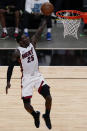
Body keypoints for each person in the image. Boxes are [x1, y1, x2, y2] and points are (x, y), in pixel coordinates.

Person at [6, 19, 52, 129]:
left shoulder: (32, 43)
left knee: (49, 97)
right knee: (26, 105)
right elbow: (11, 67)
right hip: (26, 78)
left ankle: (47, 116)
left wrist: (46, 19)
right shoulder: (17, 52)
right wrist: (8, 81)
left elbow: (39, 31)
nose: (27, 38)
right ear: (20, 42)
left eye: (26, 37)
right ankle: (35, 115)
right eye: (24, 38)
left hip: (37, 76)